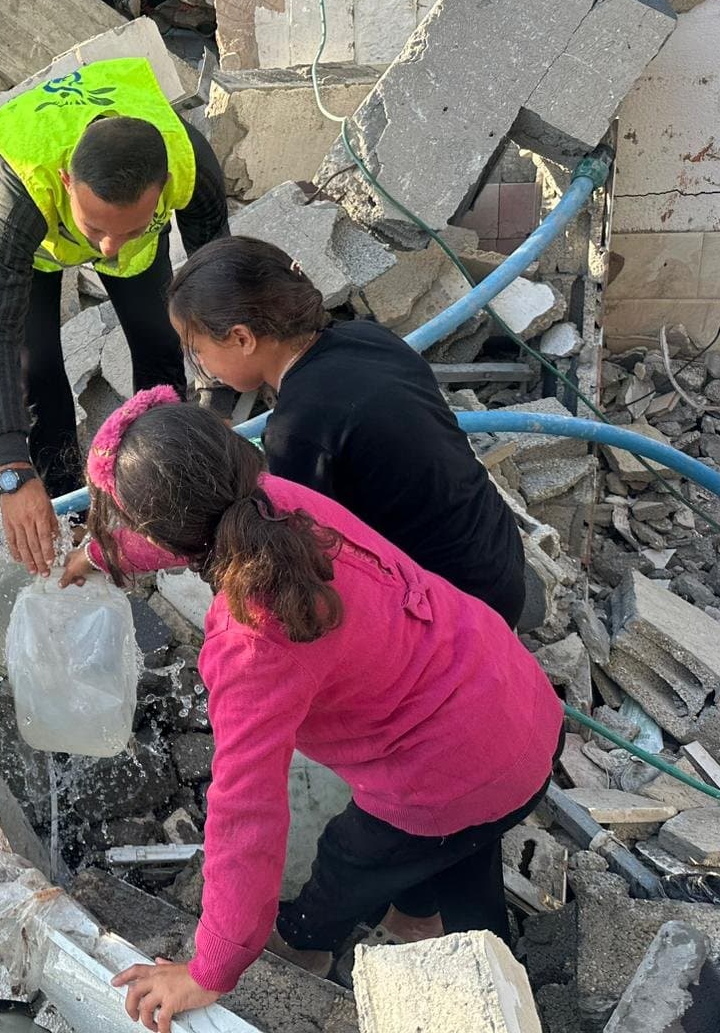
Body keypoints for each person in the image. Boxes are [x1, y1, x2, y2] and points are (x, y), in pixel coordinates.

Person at [63, 389, 562, 1028]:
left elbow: (246, 813)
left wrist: (210, 967)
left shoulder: (249, 642)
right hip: (513, 699)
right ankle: (433, 927)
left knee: (347, 861)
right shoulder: (277, 505)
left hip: (453, 770)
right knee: (459, 847)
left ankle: (307, 948)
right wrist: (105, 555)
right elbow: (195, 523)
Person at [169, 237, 527, 630]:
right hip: (498, 554)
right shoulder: (368, 337)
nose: (199, 364)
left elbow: (311, 557)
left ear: (242, 338)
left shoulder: (298, 429)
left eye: (196, 350)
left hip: (460, 608)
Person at [0, 58, 230, 578]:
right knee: (38, 370)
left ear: (163, 186)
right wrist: (11, 470)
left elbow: (215, 275)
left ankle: (156, 479)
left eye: (129, 228)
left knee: (160, 339)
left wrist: (218, 394)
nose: (108, 250)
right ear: (68, 180)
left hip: (115, 224)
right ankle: (65, 502)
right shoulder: (25, 188)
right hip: (41, 245)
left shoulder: (189, 159)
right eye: (97, 229)